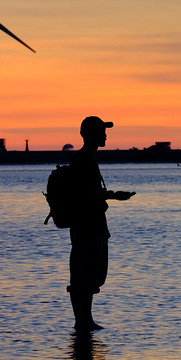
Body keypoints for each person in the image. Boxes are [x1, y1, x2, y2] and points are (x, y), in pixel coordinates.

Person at [67, 116, 135, 331]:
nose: (104, 135)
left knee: (88, 273)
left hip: (89, 223)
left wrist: (111, 196)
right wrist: (115, 196)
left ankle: (85, 321)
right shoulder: (85, 160)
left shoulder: (86, 159)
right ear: (89, 134)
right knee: (86, 273)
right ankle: (83, 321)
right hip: (88, 224)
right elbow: (88, 193)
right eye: (100, 131)